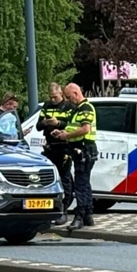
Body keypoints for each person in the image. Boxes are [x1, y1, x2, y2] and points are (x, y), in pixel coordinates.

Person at [51, 84, 97, 232]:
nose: (69, 100)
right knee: (85, 182)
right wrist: (61, 131)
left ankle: (80, 217)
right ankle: (88, 215)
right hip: (80, 150)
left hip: (84, 150)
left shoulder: (85, 108)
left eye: (69, 97)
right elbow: (73, 126)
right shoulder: (78, 109)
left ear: (76, 93)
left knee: (80, 184)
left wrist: (66, 136)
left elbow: (85, 129)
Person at [37, 83, 74, 226]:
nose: (52, 100)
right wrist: (46, 122)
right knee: (49, 179)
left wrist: (58, 123)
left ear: (61, 95)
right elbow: (38, 126)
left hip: (64, 147)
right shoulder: (46, 106)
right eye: (51, 97)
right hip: (50, 146)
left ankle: (64, 209)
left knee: (65, 178)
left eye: (55, 97)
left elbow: (72, 124)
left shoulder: (68, 107)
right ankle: (50, 208)